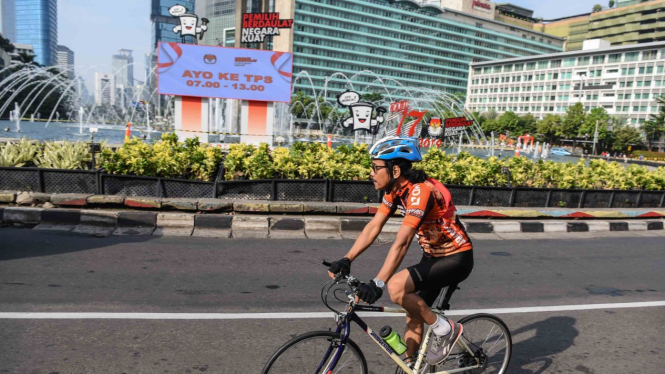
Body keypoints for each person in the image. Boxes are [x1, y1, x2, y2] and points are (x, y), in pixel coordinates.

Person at [327, 136, 474, 369]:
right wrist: (347, 259)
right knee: (413, 312)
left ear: (395, 169)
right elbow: (373, 227)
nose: (371, 173)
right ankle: (411, 367)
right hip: (432, 257)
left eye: (376, 168)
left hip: (456, 257)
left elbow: (402, 242)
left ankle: (446, 329)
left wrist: (378, 283)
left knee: (395, 287)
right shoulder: (394, 191)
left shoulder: (419, 191)